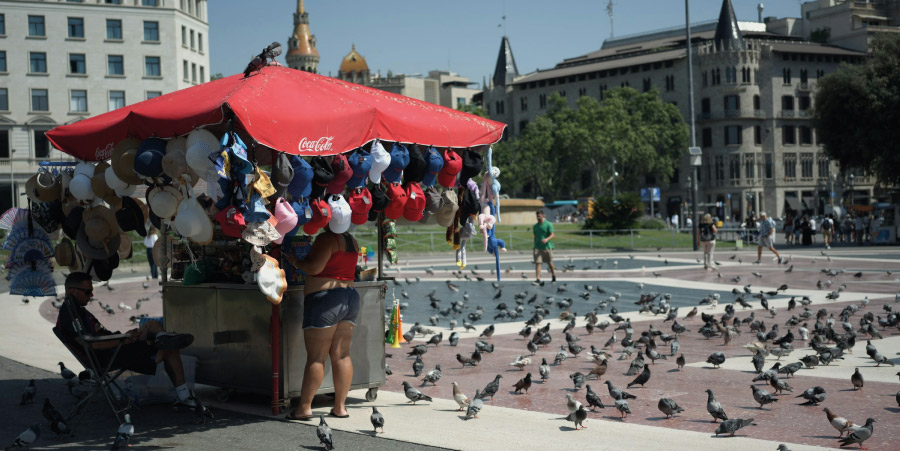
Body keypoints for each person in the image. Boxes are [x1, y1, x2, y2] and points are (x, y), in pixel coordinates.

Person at [55, 272, 201, 407]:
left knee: (151, 326)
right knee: (169, 349)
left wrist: (125, 336)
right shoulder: (70, 315)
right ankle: (184, 396)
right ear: (73, 291)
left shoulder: (74, 309)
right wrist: (122, 340)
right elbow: (91, 345)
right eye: (88, 291)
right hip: (111, 355)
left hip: (115, 346)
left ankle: (162, 338)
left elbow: (97, 337)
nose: (91, 294)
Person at [283, 225, 360, 421]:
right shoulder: (352, 240)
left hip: (325, 299)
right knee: (342, 355)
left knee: (317, 357)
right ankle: (340, 407)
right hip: (349, 297)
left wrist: (295, 261)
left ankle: (304, 408)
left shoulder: (327, 239)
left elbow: (314, 268)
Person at [533, 210, 556, 285]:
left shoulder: (548, 224)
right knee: (538, 263)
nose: (538, 217)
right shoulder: (535, 226)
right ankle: (538, 279)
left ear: (543, 216)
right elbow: (535, 236)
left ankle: (553, 275)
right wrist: (534, 245)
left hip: (547, 247)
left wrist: (546, 239)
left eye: (539, 215)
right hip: (537, 247)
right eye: (537, 216)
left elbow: (552, 234)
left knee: (549, 263)